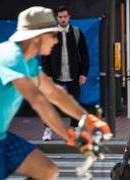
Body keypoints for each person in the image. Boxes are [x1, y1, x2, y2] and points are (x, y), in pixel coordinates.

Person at [0, 6, 112, 179]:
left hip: (0, 137)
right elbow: (39, 101)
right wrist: (72, 137)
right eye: (53, 35)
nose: (56, 40)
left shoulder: (27, 61)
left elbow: (53, 93)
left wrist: (87, 119)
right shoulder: (12, 58)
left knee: (47, 171)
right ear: (37, 37)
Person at [41, 5, 90, 141]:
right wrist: (48, 75)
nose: (63, 19)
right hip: (55, 75)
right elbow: (45, 55)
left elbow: (84, 55)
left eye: (65, 17)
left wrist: (83, 73)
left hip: (73, 74)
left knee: (74, 104)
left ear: (69, 17)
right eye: (60, 17)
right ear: (57, 18)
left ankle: (74, 130)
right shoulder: (51, 34)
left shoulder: (76, 32)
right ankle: (48, 129)